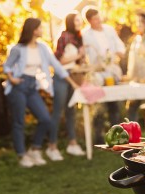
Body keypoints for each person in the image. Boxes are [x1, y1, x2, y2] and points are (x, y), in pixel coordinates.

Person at [3, 18, 78, 168]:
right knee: (19, 122)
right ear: (33, 30)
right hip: (18, 86)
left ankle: (35, 149)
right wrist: (12, 78)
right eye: (40, 27)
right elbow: (7, 66)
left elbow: (57, 66)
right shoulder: (18, 49)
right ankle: (22, 155)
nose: (42, 29)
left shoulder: (43, 48)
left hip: (31, 86)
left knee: (45, 119)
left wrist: (72, 82)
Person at [82, 7, 126, 144]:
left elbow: (119, 46)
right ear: (89, 21)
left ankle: (117, 135)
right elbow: (83, 55)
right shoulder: (85, 35)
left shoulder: (109, 30)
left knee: (114, 104)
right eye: (95, 19)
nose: (98, 20)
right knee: (99, 104)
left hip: (112, 71)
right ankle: (99, 136)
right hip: (98, 73)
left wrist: (118, 53)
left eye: (98, 17)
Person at [46, 12, 86, 161]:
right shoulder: (63, 37)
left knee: (71, 111)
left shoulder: (78, 38)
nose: (79, 22)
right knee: (58, 111)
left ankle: (72, 143)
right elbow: (59, 61)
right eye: (76, 20)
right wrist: (78, 55)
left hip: (74, 76)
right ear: (70, 21)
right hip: (61, 78)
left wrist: (82, 58)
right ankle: (52, 146)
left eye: (80, 20)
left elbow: (77, 62)